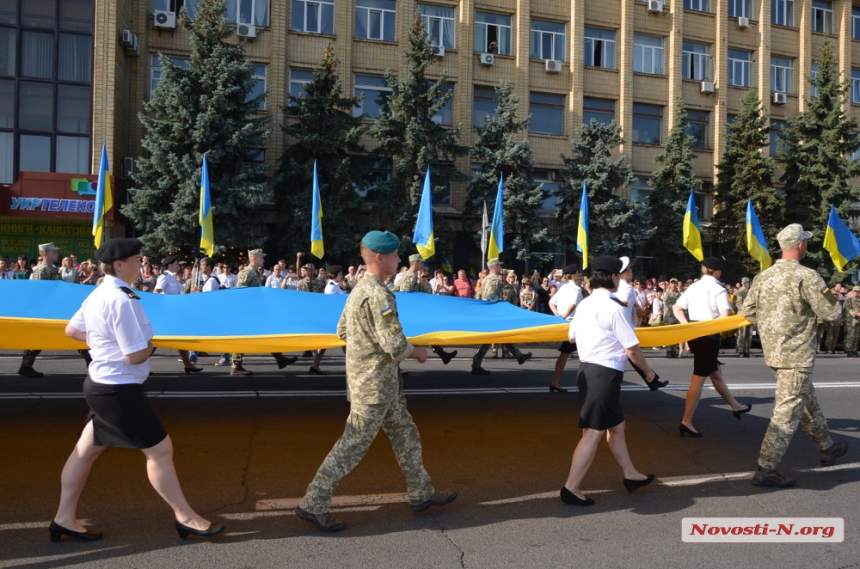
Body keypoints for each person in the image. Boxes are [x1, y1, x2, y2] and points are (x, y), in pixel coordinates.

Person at [52, 238, 223, 542]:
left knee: (85, 452)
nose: (141, 264)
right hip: (118, 389)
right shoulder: (122, 299)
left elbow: (72, 330)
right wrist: (156, 342)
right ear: (119, 265)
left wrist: (103, 345)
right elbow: (135, 355)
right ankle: (185, 518)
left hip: (100, 385)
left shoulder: (100, 293)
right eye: (136, 259)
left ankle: (64, 519)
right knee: (160, 450)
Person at [295, 231, 457, 532]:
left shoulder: (359, 289)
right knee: (351, 446)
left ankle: (421, 493)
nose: (399, 259)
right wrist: (418, 353)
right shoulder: (379, 294)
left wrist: (367, 348)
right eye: (395, 255)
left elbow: (342, 330)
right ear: (380, 258)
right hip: (375, 387)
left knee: (406, 435)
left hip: (380, 385)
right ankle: (313, 504)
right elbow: (396, 346)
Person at [741, 224, 849, 488]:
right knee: (787, 413)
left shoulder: (763, 277)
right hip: (797, 355)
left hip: (774, 354)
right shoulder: (809, 276)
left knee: (806, 400)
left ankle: (827, 447)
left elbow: (746, 310)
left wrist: (771, 329)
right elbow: (832, 313)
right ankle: (766, 469)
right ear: (800, 245)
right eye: (806, 242)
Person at [561, 256, 657, 507]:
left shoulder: (586, 303)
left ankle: (631, 474)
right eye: (620, 275)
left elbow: (571, 337)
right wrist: (648, 372)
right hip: (604, 374)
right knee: (593, 433)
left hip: (587, 370)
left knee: (616, 427)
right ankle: (571, 488)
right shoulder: (614, 307)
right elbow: (632, 349)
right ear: (614, 277)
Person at [673, 257, 751, 437]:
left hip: (693, 332)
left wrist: (687, 326)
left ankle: (735, 406)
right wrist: (709, 327)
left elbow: (677, 308)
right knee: (698, 378)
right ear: (717, 271)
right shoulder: (718, 289)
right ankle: (686, 421)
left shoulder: (693, 287)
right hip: (709, 336)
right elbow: (724, 316)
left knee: (715, 371)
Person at [230, 249, 298, 376]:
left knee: (268, 332)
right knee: (243, 338)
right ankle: (236, 366)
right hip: (248, 312)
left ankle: (280, 358)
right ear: (255, 258)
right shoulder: (248, 272)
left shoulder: (254, 272)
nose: (264, 260)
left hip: (255, 311)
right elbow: (240, 291)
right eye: (262, 257)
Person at [393, 254, 458, 365]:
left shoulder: (411, 275)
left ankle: (443, 354)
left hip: (411, 312)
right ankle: (396, 365)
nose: (423, 265)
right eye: (421, 263)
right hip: (410, 313)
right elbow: (405, 295)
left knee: (426, 331)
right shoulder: (410, 276)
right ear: (416, 263)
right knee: (406, 338)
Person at [471, 259, 531, 375]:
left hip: (486, 313)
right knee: (490, 339)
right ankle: (476, 364)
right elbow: (490, 296)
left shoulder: (487, 278)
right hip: (492, 314)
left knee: (501, 336)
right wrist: (498, 300)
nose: (500, 268)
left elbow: (478, 295)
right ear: (494, 266)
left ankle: (519, 356)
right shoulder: (495, 280)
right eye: (499, 265)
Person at [19, 242, 61, 378]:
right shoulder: (42, 270)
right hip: (45, 310)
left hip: (52, 308)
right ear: (45, 253)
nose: (56, 254)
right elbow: (38, 291)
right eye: (54, 252)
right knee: (37, 338)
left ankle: (26, 366)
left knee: (38, 339)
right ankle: (25, 366)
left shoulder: (51, 268)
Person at [154, 255, 202, 374]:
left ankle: (188, 364)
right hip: (167, 314)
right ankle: (142, 365)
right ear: (169, 265)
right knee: (156, 341)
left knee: (180, 337)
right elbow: (156, 292)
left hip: (175, 313)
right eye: (176, 264)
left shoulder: (173, 278)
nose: (178, 266)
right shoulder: (164, 277)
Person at [548, 264, 584, 393]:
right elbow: (573, 304)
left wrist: (558, 315)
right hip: (575, 324)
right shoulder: (576, 289)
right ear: (574, 274)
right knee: (587, 354)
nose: (579, 275)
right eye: (577, 273)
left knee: (564, 354)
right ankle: (586, 384)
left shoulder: (563, 288)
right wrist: (565, 315)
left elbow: (551, 302)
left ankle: (555, 382)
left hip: (566, 324)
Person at [297, 257, 329, 374]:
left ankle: (315, 353)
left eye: (310, 270)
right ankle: (308, 349)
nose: (308, 272)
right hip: (305, 312)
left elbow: (321, 297)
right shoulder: (300, 283)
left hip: (316, 312)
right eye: (306, 270)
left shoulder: (319, 283)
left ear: (314, 271)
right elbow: (298, 297)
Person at [734, 277, 752, 357]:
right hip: (742, 315)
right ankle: (741, 350)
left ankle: (747, 350)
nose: (749, 284)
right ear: (744, 283)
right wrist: (745, 312)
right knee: (741, 333)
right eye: (748, 283)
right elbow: (739, 304)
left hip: (749, 315)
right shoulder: (740, 292)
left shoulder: (750, 292)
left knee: (749, 333)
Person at [843, 286, 860, 357]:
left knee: (856, 336)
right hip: (851, 320)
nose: (857, 292)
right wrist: (855, 313)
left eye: (858, 291)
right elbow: (846, 308)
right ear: (853, 291)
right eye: (856, 291)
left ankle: (854, 350)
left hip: (858, 320)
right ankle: (849, 350)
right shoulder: (849, 299)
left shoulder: (858, 299)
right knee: (850, 335)